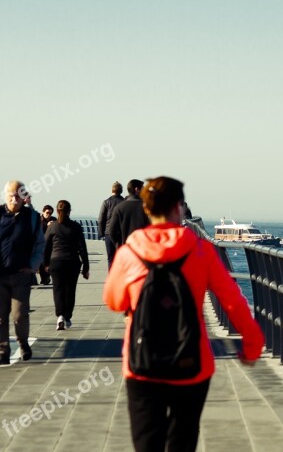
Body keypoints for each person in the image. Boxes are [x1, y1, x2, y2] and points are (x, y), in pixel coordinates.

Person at [103, 176, 263, 451]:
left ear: (147, 209)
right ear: (179, 208)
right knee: (183, 440)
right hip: (192, 361)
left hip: (141, 363)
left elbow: (114, 302)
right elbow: (233, 301)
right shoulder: (201, 250)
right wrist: (252, 346)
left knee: (147, 441)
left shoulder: (130, 252)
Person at [0, 180, 44, 364]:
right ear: (5, 195)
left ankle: (23, 343)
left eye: (19, 194)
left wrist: (33, 265)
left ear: (24, 197)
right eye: (11, 194)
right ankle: (3, 349)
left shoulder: (32, 217)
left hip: (21, 274)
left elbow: (40, 244)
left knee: (20, 314)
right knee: (0, 316)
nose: (14, 198)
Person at [44, 200, 90, 331]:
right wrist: (86, 267)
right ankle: (67, 316)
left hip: (56, 262)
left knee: (58, 290)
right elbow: (82, 248)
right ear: (69, 211)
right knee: (70, 290)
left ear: (57, 211)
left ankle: (59, 316)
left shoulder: (52, 226)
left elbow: (45, 246)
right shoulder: (76, 227)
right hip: (72, 262)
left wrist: (45, 263)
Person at [108, 179, 149, 248]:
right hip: (143, 248)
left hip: (126, 248)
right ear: (137, 190)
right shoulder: (147, 208)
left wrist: (119, 245)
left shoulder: (119, 208)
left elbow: (112, 231)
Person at [98, 181, 125, 267]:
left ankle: (111, 277)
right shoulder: (124, 202)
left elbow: (101, 219)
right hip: (121, 233)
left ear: (112, 190)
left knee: (110, 258)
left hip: (108, 233)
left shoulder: (106, 202)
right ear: (121, 190)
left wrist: (101, 233)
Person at [38, 204, 57, 284]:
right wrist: (47, 225)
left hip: (50, 244)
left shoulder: (54, 220)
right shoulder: (39, 220)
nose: (48, 215)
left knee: (49, 261)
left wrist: (53, 225)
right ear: (43, 212)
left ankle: (47, 277)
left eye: (50, 213)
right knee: (41, 262)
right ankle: (43, 278)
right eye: (47, 213)